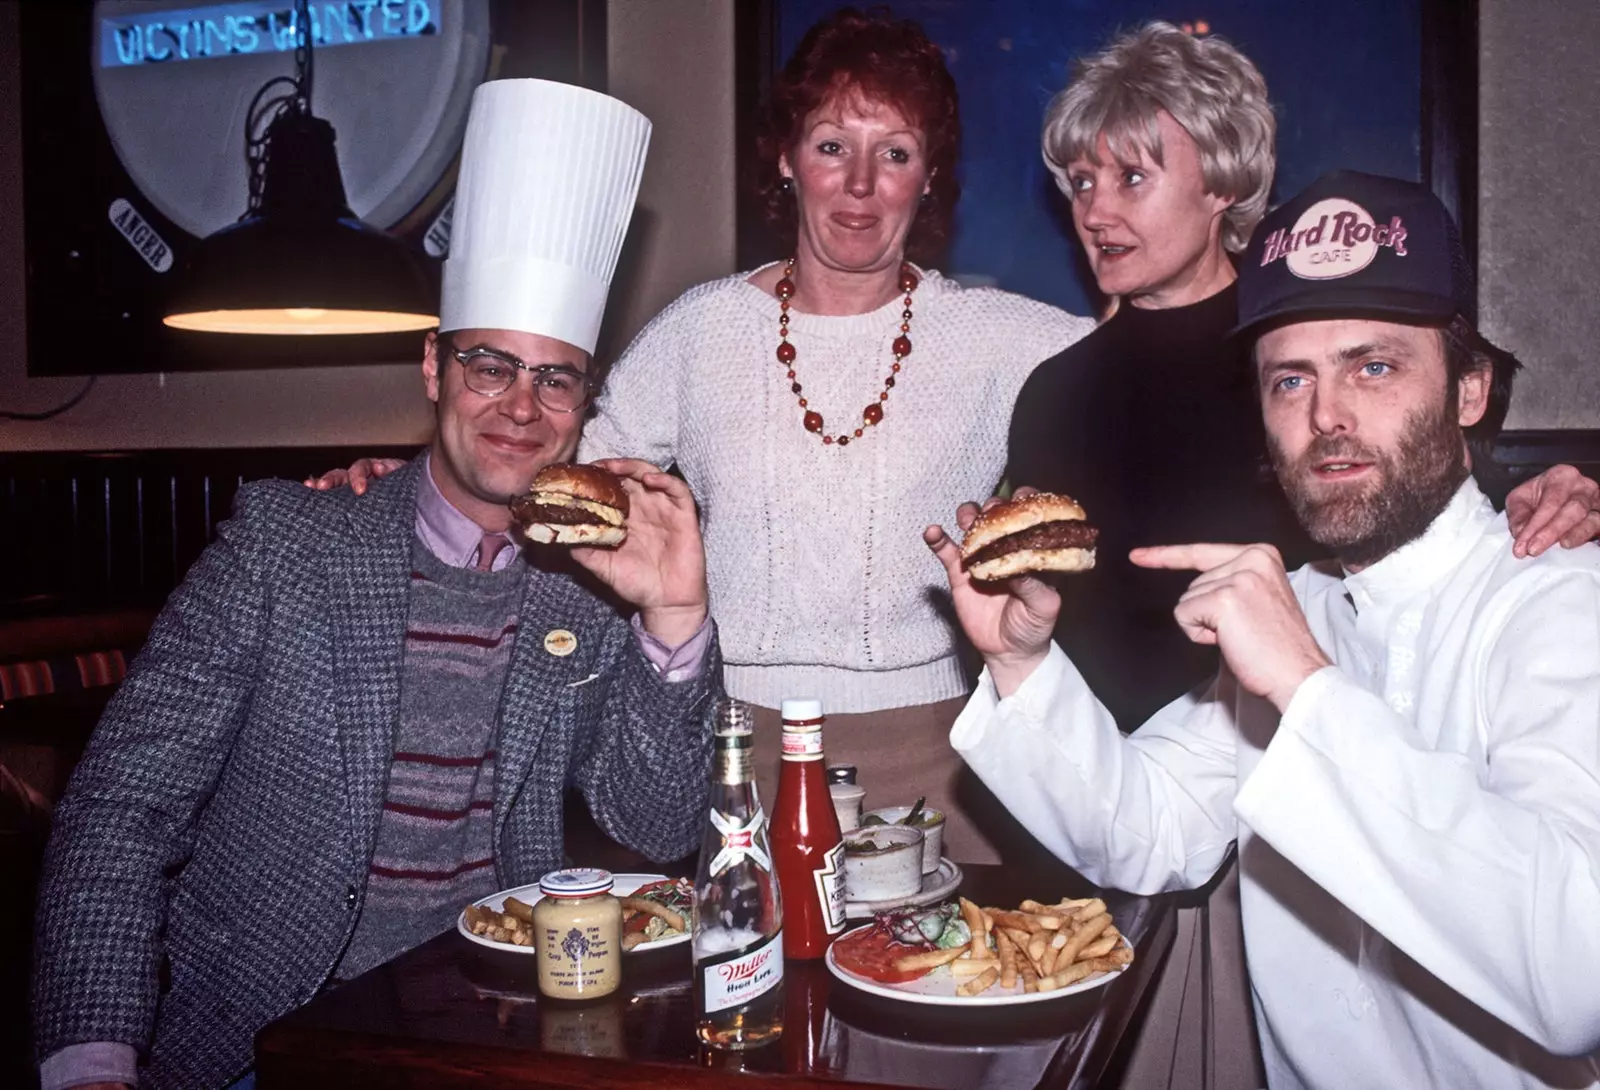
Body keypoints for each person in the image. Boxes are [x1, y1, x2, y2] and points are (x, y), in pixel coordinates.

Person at [31, 80, 720, 1090]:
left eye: (556, 378)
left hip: (500, 1046)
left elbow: (656, 827)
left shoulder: (588, 590)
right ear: (433, 368)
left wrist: (672, 620)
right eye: (490, 366)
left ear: (584, 403)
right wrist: (93, 1059)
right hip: (263, 1044)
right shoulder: (286, 542)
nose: (520, 408)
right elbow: (120, 807)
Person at [313, 8, 1096, 864]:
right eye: (833, 145)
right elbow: (554, 482)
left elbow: (1150, 366)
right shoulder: (700, 332)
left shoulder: (1004, 335)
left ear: (930, 175)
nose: (862, 184)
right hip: (738, 752)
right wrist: (413, 493)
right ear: (789, 161)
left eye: (896, 152)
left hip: (944, 762)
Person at [928, 170, 1600, 1088]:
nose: (1327, 416)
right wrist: (1020, 661)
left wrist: (1307, 688)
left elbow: (1574, 974)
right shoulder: (1302, 602)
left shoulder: (1561, 603)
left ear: (1471, 389)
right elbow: (1146, 830)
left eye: (1374, 365)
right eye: (1291, 380)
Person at [1007, 21, 1600, 734]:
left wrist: (1563, 494)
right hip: (1124, 788)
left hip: (1317, 757)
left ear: (1223, 180)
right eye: (1080, 182)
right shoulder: (1054, 391)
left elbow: (1464, 512)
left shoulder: (1311, 347)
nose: (1096, 212)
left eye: (1132, 176)